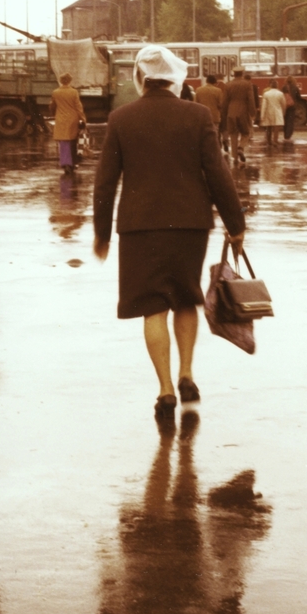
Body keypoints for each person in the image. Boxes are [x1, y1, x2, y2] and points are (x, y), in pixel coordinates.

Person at [94, 46, 246, 419]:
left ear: (141, 78)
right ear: (175, 78)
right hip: (190, 224)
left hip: (139, 227)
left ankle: (164, 388)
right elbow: (218, 173)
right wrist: (236, 224)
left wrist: (102, 233)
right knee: (185, 298)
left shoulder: (121, 118)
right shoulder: (197, 115)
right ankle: (187, 372)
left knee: (152, 307)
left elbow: (105, 182)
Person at [50, 72, 84, 175]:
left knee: (63, 142)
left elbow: (52, 106)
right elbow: (78, 107)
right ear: (69, 81)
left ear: (61, 81)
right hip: (72, 119)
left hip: (61, 119)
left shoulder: (55, 92)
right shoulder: (74, 92)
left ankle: (65, 163)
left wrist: (53, 113)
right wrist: (82, 119)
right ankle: (72, 163)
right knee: (72, 142)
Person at [221, 69, 257, 163]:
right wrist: (253, 112)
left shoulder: (228, 85)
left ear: (234, 74)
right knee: (246, 132)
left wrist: (224, 113)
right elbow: (251, 99)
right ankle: (241, 147)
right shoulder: (247, 84)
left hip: (231, 112)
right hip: (243, 112)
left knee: (233, 134)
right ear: (242, 74)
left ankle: (235, 157)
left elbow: (224, 102)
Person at [194, 74, 225, 153]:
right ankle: (214, 150)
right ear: (214, 82)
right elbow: (221, 104)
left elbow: (195, 103)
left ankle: (204, 149)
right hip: (214, 116)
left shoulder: (199, 90)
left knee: (202, 133)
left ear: (206, 81)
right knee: (215, 133)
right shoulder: (218, 91)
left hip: (201, 116)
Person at [258, 81, 285, 149]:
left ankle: (269, 141)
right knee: (276, 127)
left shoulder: (266, 94)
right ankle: (275, 141)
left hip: (268, 111)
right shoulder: (280, 94)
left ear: (270, 86)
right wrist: (283, 112)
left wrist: (262, 115)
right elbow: (283, 104)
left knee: (268, 127)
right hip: (277, 111)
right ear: (277, 86)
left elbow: (264, 105)